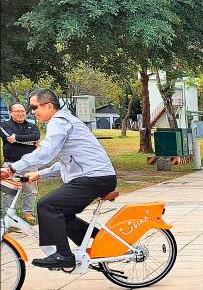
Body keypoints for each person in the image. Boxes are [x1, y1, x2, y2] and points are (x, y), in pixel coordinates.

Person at [0, 88, 116, 269]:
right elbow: (65, 161)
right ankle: (105, 243)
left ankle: (63, 255)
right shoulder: (61, 121)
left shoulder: (59, 121)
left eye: (34, 107)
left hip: (94, 178)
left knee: (47, 205)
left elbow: (46, 152)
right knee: (63, 214)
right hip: (95, 177)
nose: (33, 112)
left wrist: (12, 168)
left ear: (48, 106)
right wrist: (39, 173)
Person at [1, 103, 41, 222]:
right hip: (11, 163)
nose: (20, 113)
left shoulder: (32, 126)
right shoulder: (4, 125)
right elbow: (9, 137)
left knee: (31, 189)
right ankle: (7, 213)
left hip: (30, 163)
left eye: (22, 111)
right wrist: (30, 141)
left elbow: (36, 136)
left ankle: (27, 213)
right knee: (9, 191)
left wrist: (17, 139)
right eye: (17, 111)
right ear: (10, 113)